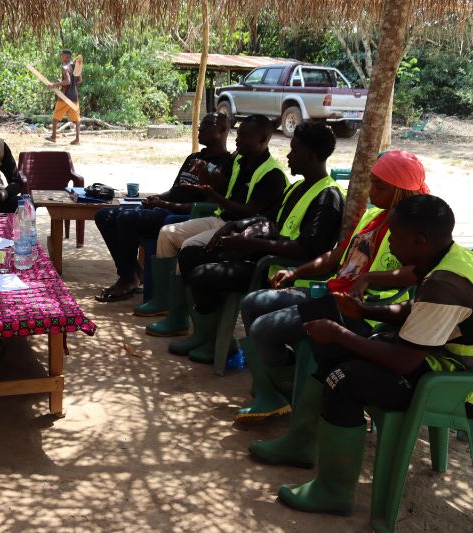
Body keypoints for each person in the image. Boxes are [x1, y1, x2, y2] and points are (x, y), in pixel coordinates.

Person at [253, 195, 473, 517]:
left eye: (394, 235)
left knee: (344, 379)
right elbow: (417, 311)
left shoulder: (445, 285)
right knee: (335, 347)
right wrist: (366, 311)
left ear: (419, 240)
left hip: (454, 382)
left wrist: (340, 333)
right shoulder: (446, 257)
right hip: (434, 356)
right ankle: (300, 443)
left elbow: (404, 361)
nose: (389, 241)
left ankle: (334, 492)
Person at [236, 150, 427, 423]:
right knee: (252, 303)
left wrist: (371, 278)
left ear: (400, 192)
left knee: (263, 328)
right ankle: (275, 389)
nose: (371, 191)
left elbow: (416, 272)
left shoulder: (414, 230)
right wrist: (295, 272)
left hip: (364, 308)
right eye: (371, 183)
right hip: (332, 292)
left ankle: (286, 393)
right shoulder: (372, 217)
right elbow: (338, 255)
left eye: (380, 186)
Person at [168, 122, 345, 363]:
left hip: (281, 271)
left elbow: (307, 249)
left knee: (203, 275)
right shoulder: (298, 187)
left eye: (294, 150)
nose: (288, 156)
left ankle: (217, 342)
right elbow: (271, 220)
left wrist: (253, 245)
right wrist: (236, 225)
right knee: (190, 254)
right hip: (266, 258)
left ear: (311, 156)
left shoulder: (328, 196)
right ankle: (205, 334)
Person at [144, 114, 288, 337]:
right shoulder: (238, 159)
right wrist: (205, 174)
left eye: (245, 136)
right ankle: (166, 305)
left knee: (189, 246)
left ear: (263, 139)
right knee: (167, 233)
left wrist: (214, 195)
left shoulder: (273, 175)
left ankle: (190, 320)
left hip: (242, 232)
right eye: (238, 134)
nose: (237, 139)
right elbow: (218, 181)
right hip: (221, 220)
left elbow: (248, 212)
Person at [93, 112, 233, 302]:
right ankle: (133, 272)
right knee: (104, 215)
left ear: (223, 131)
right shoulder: (193, 157)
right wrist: (157, 198)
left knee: (127, 218)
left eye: (208, 124)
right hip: (163, 209)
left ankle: (127, 279)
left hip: (182, 218)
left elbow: (206, 206)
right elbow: (175, 190)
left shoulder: (225, 165)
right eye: (201, 123)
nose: (200, 127)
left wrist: (164, 204)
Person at [45, 49, 82, 145]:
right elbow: (79, 80)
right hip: (74, 96)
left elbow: (68, 81)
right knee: (77, 119)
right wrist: (63, 83)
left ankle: (53, 137)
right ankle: (77, 139)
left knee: (55, 117)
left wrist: (54, 84)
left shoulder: (65, 67)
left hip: (64, 97)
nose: (61, 57)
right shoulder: (75, 66)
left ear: (67, 57)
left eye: (62, 56)